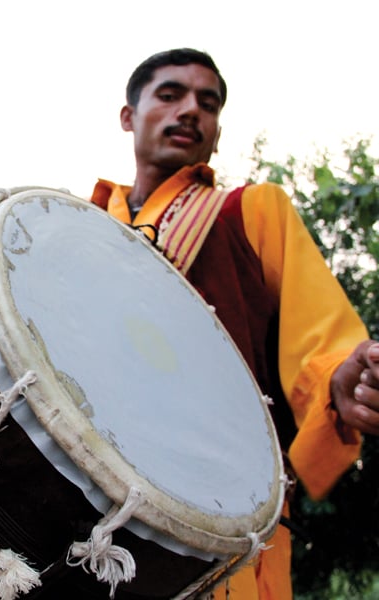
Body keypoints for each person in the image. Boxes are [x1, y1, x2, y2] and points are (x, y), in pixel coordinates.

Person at [88, 48, 379, 599]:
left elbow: (323, 342)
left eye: (209, 102)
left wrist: (342, 381)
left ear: (217, 132)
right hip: (85, 515)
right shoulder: (79, 226)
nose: (192, 110)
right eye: (170, 94)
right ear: (129, 116)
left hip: (218, 523)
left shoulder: (250, 211)